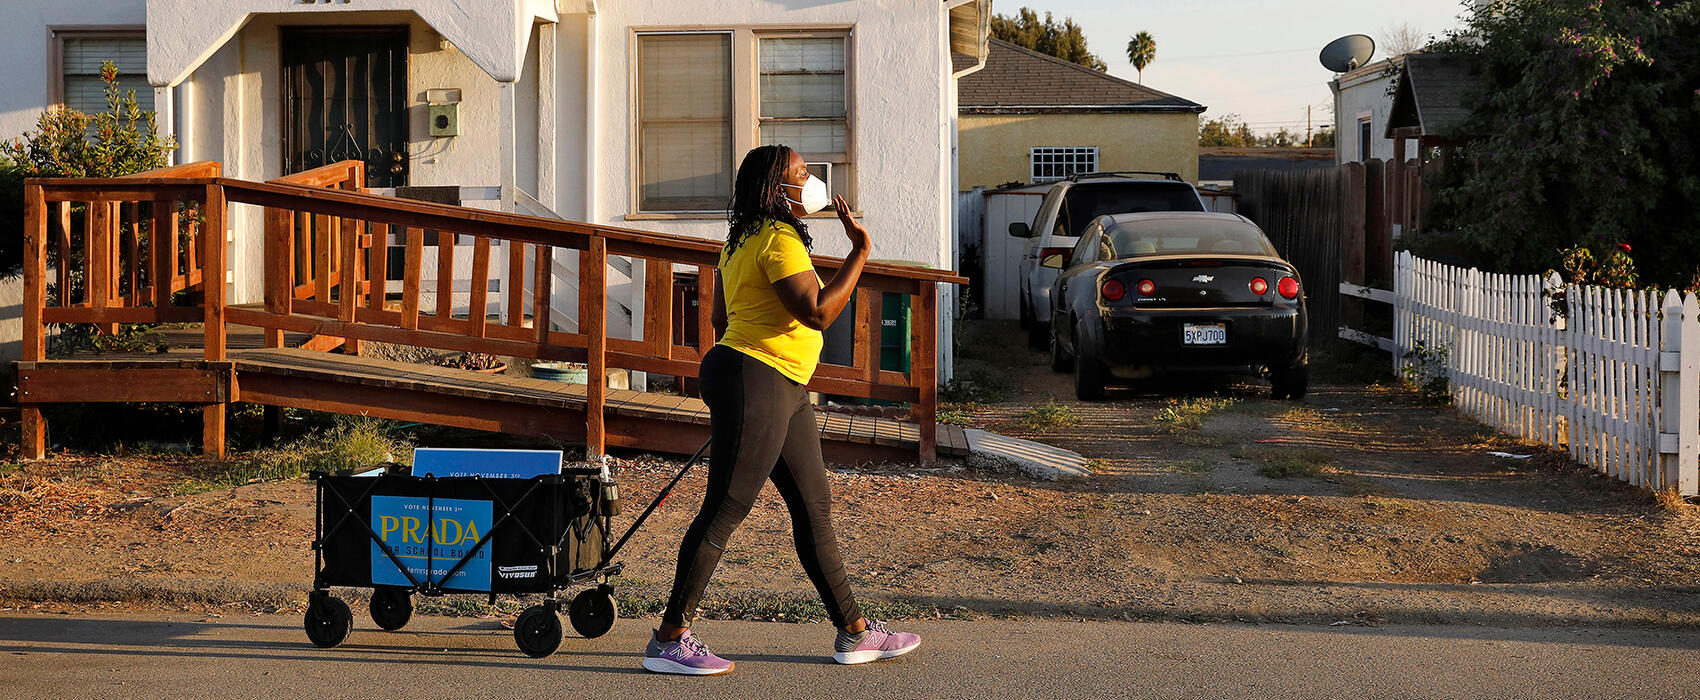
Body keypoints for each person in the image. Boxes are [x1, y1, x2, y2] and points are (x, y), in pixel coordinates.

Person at [641, 145, 921, 675]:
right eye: (801, 172)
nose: (811, 179)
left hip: (774, 382)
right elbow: (817, 313)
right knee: (726, 506)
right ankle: (670, 637)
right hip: (759, 379)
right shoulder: (778, 238)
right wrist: (860, 252)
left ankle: (855, 632)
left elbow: (722, 318)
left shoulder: (741, 239)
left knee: (815, 509)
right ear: (776, 186)